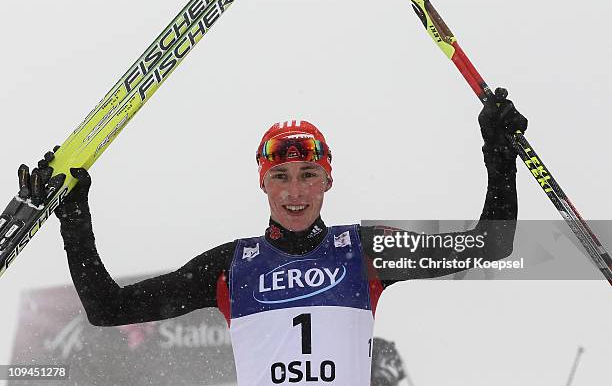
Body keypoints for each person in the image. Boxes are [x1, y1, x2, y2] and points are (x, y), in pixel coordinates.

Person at [20, 88, 526, 385]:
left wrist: (497, 151)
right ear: (263, 183)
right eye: (280, 177)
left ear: (329, 180)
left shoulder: (365, 250)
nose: (295, 191)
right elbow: (108, 308)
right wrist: (75, 216)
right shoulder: (231, 266)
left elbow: (488, 245)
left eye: (309, 174)